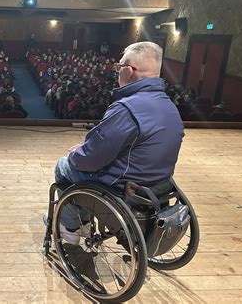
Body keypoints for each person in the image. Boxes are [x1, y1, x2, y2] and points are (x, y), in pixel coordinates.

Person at [53, 42, 184, 243]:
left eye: (119, 67)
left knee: (64, 166)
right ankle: (82, 222)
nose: (117, 72)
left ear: (129, 70)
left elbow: (92, 158)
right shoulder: (169, 106)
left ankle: (72, 227)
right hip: (158, 185)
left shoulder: (127, 109)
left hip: (124, 187)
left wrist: (75, 155)